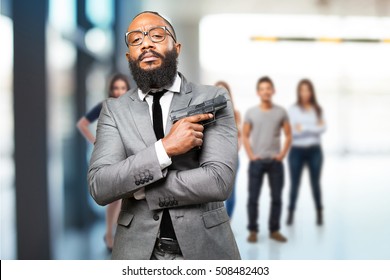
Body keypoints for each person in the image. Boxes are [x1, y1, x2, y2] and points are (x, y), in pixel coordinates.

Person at [88, 11, 240, 260]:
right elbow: (101, 185)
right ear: (130, 57)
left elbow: (218, 181)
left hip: (206, 251)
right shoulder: (113, 111)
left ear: (176, 47)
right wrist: (165, 149)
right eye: (136, 40)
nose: (146, 43)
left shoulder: (213, 98)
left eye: (157, 35)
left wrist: (138, 190)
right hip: (137, 255)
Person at [76, 73, 130, 251]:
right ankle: (109, 235)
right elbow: (82, 124)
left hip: (125, 155)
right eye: (116, 88)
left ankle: (115, 233)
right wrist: (95, 141)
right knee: (113, 197)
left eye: (123, 88)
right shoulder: (104, 106)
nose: (119, 91)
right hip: (108, 157)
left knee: (123, 196)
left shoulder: (130, 106)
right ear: (111, 89)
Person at [243, 76, 292, 243]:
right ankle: (253, 231)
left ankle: (274, 230)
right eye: (262, 89)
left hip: (275, 163)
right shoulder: (251, 112)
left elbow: (289, 134)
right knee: (253, 198)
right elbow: (244, 135)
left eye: (268, 88)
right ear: (258, 92)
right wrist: (251, 155)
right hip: (257, 162)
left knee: (277, 198)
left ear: (273, 91)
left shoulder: (281, 112)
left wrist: (282, 154)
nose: (266, 91)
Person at [286, 79, 326, 226]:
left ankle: (319, 212)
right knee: (294, 183)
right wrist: (313, 127)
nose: (305, 93)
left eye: (307, 90)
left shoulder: (318, 109)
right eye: (302, 90)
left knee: (315, 183)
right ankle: (290, 213)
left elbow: (323, 128)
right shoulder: (293, 110)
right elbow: (293, 132)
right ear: (299, 92)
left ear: (311, 92)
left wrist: (305, 128)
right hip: (297, 150)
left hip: (315, 150)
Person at [214, 81, 241, 219]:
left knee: (231, 192)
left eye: (224, 91)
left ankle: (227, 220)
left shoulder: (236, 114)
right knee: (213, 192)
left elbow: (239, 138)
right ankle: (217, 221)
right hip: (213, 158)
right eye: (217, 91)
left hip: (232, 157)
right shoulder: (208, 113)